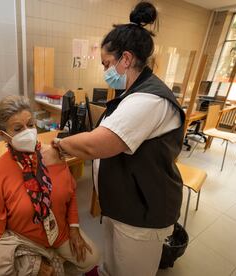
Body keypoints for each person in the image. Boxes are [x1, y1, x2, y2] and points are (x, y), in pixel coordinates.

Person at [52, 2, 185, 276]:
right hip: (122, 205)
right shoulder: (131, 94)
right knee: (114, 263)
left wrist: (60, 145)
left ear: (125, 59)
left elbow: (96, 144)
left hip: (142, 213)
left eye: (107, 64)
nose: (105, 71)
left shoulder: (149, 99)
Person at [0, 95, 99, 275]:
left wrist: (74, 228)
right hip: (25, 240)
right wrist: (28, 263)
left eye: (30, 125)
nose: (28, 132)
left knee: (92, 257)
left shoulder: (54, 154)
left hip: (58, 232)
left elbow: (70, 194)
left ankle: (56, 259)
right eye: (18, 129)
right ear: (4, 135)